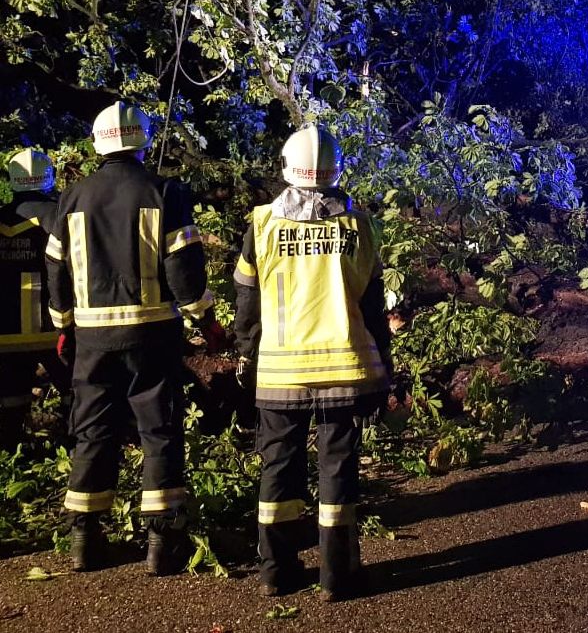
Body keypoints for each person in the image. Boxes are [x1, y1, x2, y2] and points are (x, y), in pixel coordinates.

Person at [45, 100, 222, 574]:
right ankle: (163, 543)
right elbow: (183, 270)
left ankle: (85, 538)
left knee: (93, 431)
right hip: (152, 335)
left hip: (92, 339)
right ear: (142, 140)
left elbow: (56, 271)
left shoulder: (73, 197)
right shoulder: (166, 191)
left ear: (98, 143)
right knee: (158, 430)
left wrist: (63, 326)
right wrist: (206, 320)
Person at [233, 124, 391, 602]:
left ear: (287, 169)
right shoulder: (359, 225)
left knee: (277, 470)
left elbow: (247, 302)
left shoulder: (261, 225)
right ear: (334, 172)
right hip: (343, 370)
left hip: (280, 373)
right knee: (337, 470)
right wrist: (384, 365)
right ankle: (336, 577)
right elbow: (373, 304)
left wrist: (246, 352)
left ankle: (276, 573)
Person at [0, 149, 64, 451]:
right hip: (57, 329)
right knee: (77, 394)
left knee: (11, 401)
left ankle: (13, 455)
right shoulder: (59, 216)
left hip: (7, 334)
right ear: (48, 178)